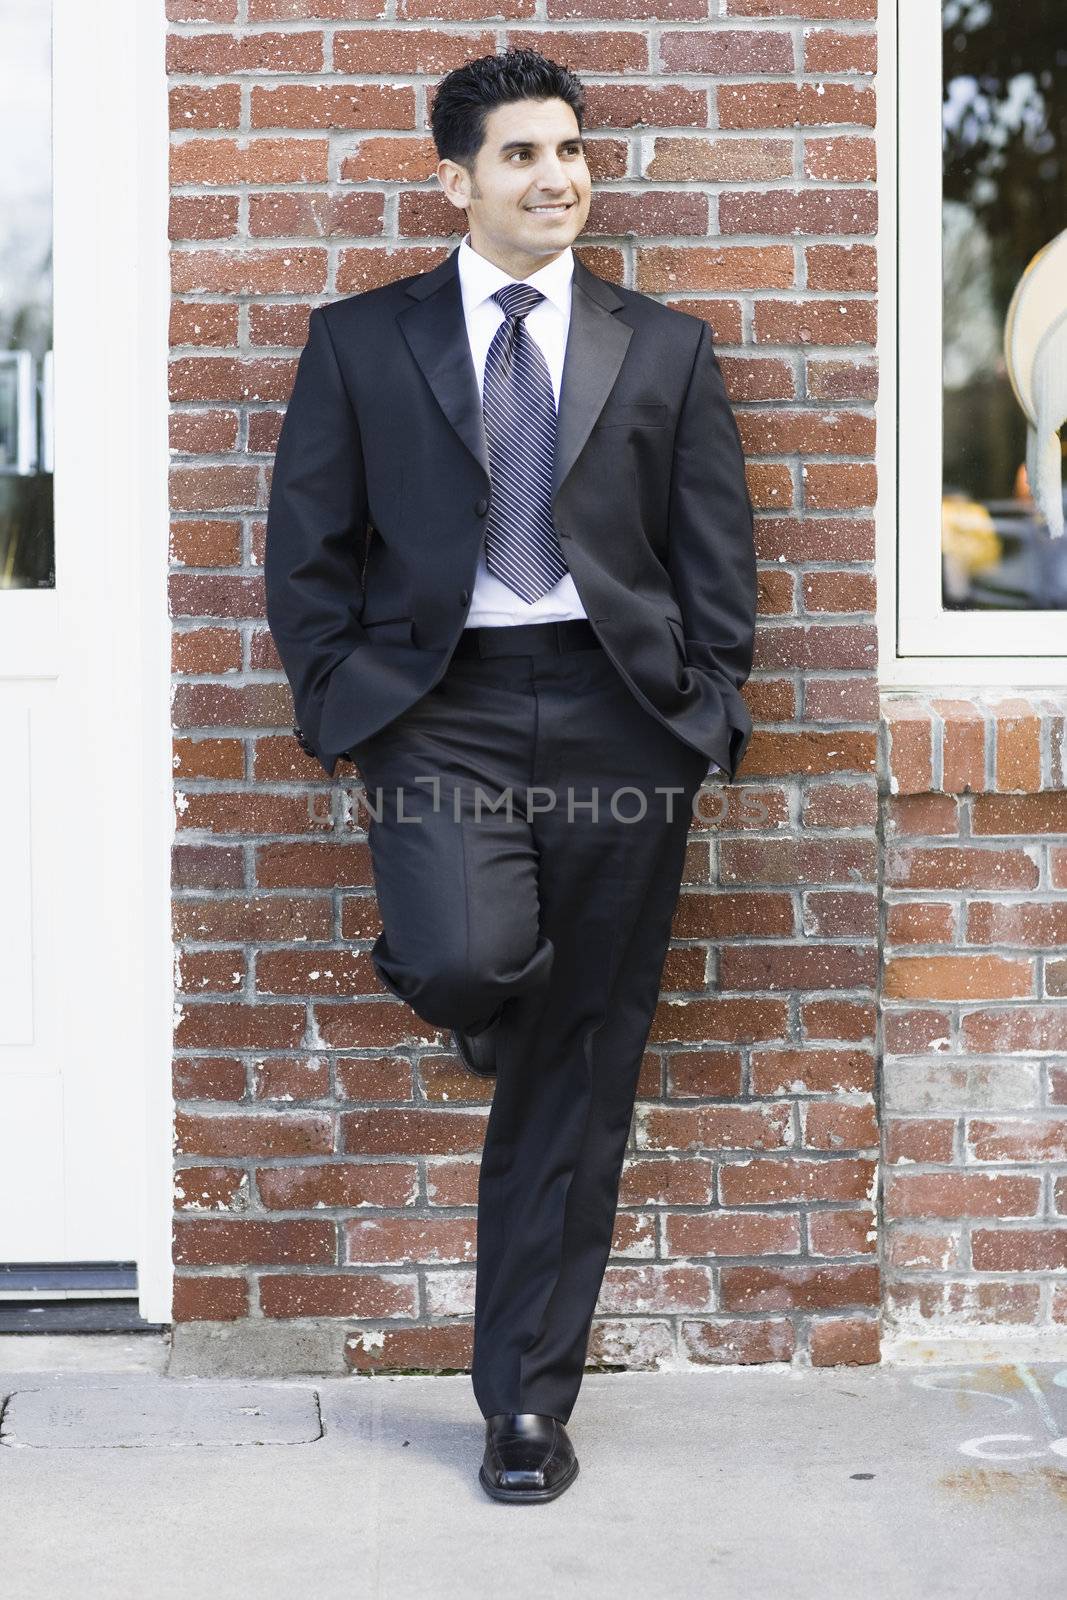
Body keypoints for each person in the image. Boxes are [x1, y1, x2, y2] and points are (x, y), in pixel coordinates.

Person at [265, 48, 756, 1504]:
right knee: (465, 952)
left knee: (580, 1072)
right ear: (457, 181)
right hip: (441, 711)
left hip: (621, 719)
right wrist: (346, 710)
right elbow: (308, 556)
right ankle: (470, 985)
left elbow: (717, 556)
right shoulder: (362, 341)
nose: (559, 177)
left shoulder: (659, 345)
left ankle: (525, 1406)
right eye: (525, 155)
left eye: (573, 152)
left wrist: (703, 717)